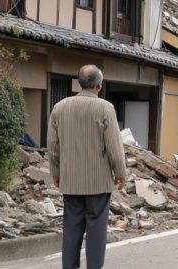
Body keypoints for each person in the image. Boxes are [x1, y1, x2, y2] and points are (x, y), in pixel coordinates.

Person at [47, 64, 126, 269]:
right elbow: (114, 147)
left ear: (79, 83)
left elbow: (53, 147)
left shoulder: (59, 108)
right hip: (98, 182)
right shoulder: (105, 108)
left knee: (72, 228)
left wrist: (56, 173)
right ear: (99, 85)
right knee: (96, 230)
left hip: (71, 180)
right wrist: (120, 173)